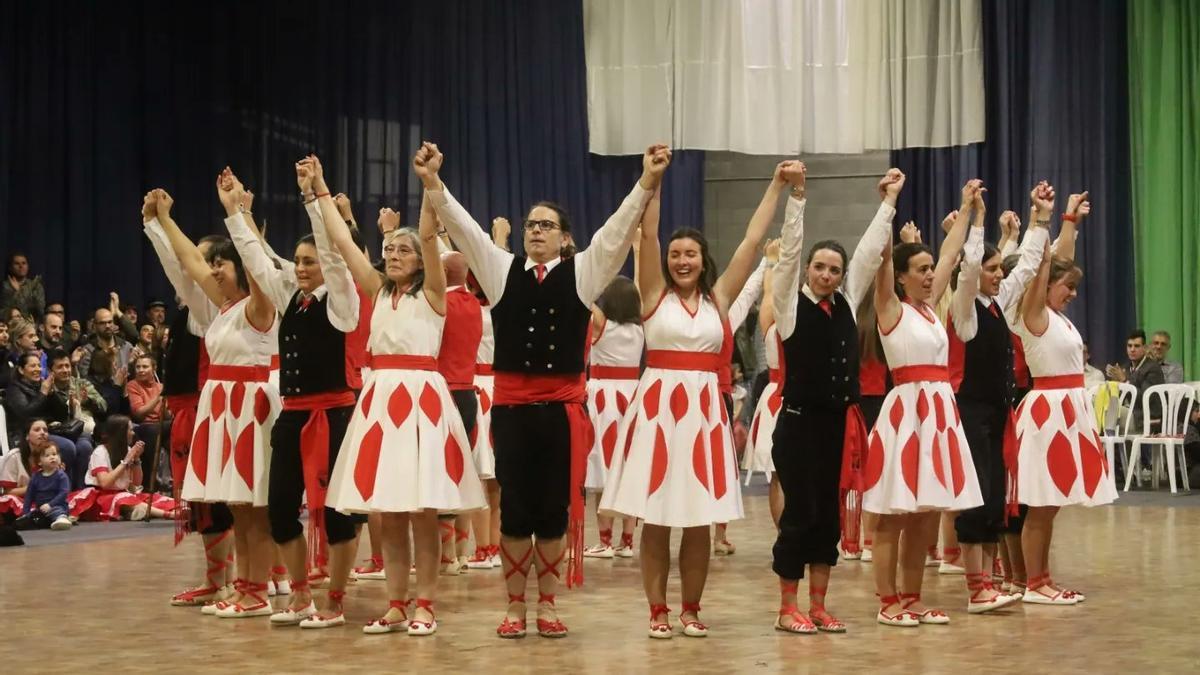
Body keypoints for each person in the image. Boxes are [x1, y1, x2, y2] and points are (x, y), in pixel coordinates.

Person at [429, 141, 668, 639]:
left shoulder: (584, 272)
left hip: (562, 413)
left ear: (564, 238)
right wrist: (433, 182)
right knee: (515, 509)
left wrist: (646, 180)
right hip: (513, 412)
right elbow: (467, 231)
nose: (535, 231)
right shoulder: (500, 271)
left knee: (555, 510)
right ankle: (516, 604)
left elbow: (619, 228)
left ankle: (549, 604)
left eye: (546, 226)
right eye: (531, 225)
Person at [602, 161, 785, 639]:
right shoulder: (651, 295)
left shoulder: (719, 300)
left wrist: (775, 184)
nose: (682, 260)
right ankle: (657, 610)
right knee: (658, 518)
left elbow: (750, 241)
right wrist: (654, 181)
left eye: (692, 254)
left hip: (705, 414)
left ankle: (691, 608)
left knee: (700, 520)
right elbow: (647, 233)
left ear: (705, 261)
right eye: (676, 254)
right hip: (658, 411)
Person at [324, 148, 485, 636]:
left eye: (403, 250)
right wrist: (320, 193)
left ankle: (426, 603)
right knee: (389, 511)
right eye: (389, 249)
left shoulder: (434, 293)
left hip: (422, 401)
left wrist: (427, 181)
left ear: (419, 262)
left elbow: (431, 236)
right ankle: (396, 602)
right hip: (379, 401)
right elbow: (343, 242)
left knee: (422, 512)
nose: (393, 255)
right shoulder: (377, 291)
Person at [222, 155, 370, 629]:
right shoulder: (292, 300)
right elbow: (255, 259)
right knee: (282, 509)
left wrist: (312, 195)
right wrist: (233, 213)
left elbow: (332, 252)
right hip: (294, 415)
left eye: (309, 262)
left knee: (337, 515)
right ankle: (302, 595)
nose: (301, 268)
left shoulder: (342, 302)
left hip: (334, 416)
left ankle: (336, 598)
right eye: (298, 262)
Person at [768, 166, 902, 633]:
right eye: (819, 267)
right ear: (808, 269)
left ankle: (819, 604)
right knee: (800, 515)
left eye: (834, 269)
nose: (827, 274)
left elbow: (868, 251)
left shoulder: (846, 302)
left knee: (828, 517)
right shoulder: (789, 305)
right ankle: (788, 608)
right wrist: (798, 196)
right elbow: (786, 254)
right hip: (798, 424)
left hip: (835, 428)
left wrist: (888, 202)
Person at [154, 172, 281, 620]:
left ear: (240, 269)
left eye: (221, 265)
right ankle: (245, 587)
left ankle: (258, 589)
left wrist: (236, 214)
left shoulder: (261, 307)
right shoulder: (225, 308)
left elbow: (256, 263)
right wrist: (164, 221)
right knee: (240, 508)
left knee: (255, 509)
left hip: (251, 410)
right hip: (224, 411)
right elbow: (190, 261)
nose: (212, 272)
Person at [864, 179, 984, 627]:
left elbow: (952, 253)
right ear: (900, 276)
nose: (931, 273)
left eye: (931, 268)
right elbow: (880, 262)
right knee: (894, 517)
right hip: (906, 413)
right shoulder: (889, 308)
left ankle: (912, 598)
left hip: (939, 413)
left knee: (925, 516)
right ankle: (887, 601)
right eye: (921, 268)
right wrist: (888, 205)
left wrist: (966, 207)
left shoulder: (932, 308)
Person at [947, 184, 1050, 614]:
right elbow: (969, 269)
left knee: (992, 496)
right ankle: (975, 588)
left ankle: (988, 582)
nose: (997, 273)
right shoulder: (964, 309)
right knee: (975, 497)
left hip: (996, 412)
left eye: (996, 268)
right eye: (992, 268)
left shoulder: (998, 304)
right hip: (970, 411)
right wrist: (978, 220)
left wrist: (1041, 220)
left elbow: (1025, 267)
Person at [1013, 210, 1117, 605]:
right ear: (1046, 285)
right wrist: (1043, 243)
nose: (1073, 293)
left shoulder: (1057, 319)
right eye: (1067, 286)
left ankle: (1042, 579)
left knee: (1050, 506)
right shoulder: (1034, 315)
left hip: (1068, 411)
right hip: (1048, 415)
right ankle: (1034, 584)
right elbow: (1047, 272)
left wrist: (1071, 219)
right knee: (1040, 505)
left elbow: (1062, 264)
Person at [143, 204, 236, 608]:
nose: (191, 263)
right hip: (191, 411)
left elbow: (179, 265)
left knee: (222, 499)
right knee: (206, 499)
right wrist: (154, 223)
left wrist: (160, 224)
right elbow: (178, 265)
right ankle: (224, 580)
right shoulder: (195, 309)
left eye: (199, 257)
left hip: (212, 411)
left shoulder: (215, 309)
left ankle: (237, 581)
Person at [582, 276, 644, 559]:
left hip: (603, 399)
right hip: (632, 397)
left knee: (602, 470)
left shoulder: (601, 325)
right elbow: (642, 289)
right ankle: (627, 541)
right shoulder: (641, 329)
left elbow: (583, 296)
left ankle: (604, 541)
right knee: (628, 470)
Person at [432, 248, 484, 576]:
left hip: (443, 395)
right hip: (467, 393)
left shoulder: (441, 307)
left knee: (441, 474)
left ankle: (447, 553)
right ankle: (461, 550)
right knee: (462, 473)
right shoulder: (475, 306)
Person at [464, 261, 502, 570]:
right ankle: (492, 546)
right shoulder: (504, 310)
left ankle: (482, 547)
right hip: (499, 388)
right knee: (495, 479)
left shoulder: (468, 309)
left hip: (476, 388)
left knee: (477, 473)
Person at [82, 415, 176, 521]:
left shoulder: (127, 449)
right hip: (103, 497)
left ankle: (139, 512)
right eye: (130, 430)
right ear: (121, 433)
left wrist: (136, 459)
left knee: (158, 499)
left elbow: (136, 482)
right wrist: (126, 461)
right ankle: (167, 514)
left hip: (124, 493)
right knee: (125, 498)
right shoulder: (100, 452)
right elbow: (105, 483)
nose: (133, 433)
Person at [127, 354, 166, 483]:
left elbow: (168, 415)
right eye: (138, 367)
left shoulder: (160, 387)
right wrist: (158, 398)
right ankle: (149, 483)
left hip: (161, 424)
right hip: (141, 426)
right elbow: (138, 413)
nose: (141, 370)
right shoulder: (133, 385)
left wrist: (167, 403)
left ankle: (173, 482)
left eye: (145, 366)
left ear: (154, 369)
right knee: (153, 431)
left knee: (177, 427)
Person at [15, 442, 72, 530]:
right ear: (39, 462)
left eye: (54, 454)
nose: (52, 457)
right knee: (32, 516)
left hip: (57, 505)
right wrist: (25, 512)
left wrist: (50, 504)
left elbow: (63, 493)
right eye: (47, 455)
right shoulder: (35, 477)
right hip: (40, 508)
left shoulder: (61, 475)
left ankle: (61, 519)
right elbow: (29, 496)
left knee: (57, 511)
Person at [1, 252, 45, 321]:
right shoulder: (5, 286)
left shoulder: (35, 286)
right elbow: (5, 311)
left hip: (31, 325)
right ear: (10, 267)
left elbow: (40, 311)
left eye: (24, 263)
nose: (21, 266)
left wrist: (18, 292)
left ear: (28, 266)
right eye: (17, 263)